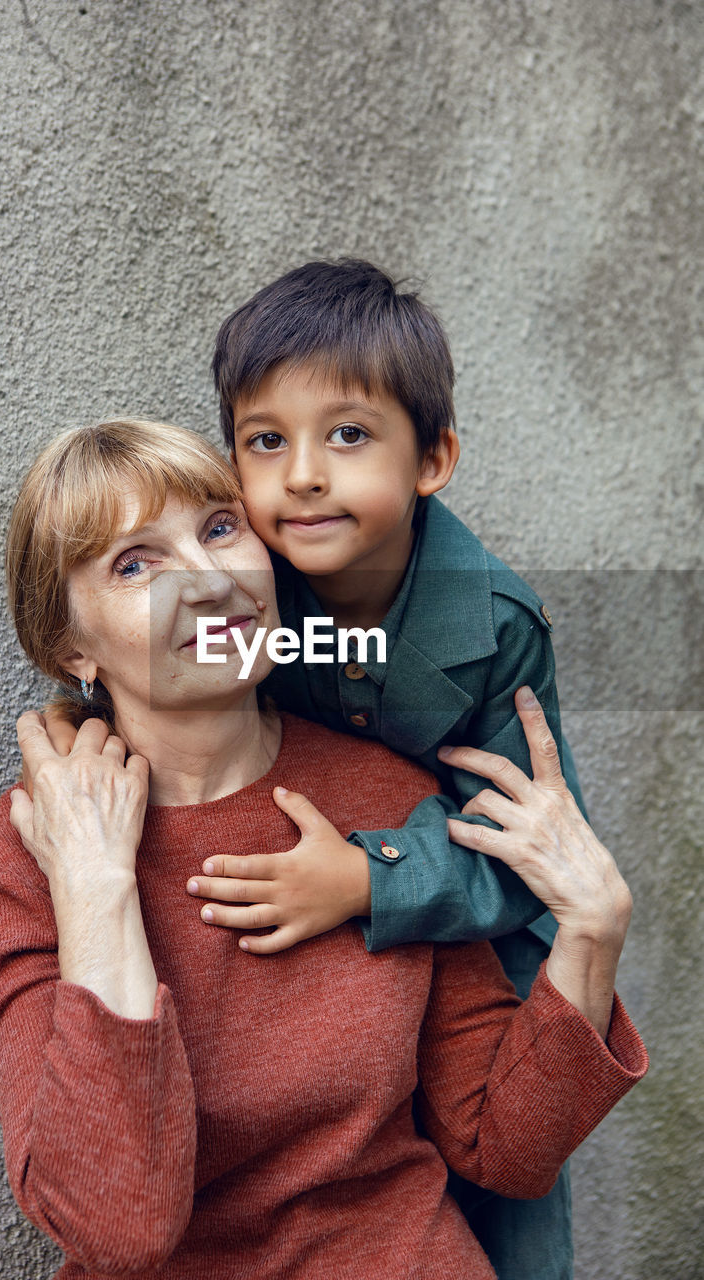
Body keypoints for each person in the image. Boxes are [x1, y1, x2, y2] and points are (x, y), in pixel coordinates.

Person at [0, 419, 646, 1280]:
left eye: (219, 529)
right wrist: (93, 884)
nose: (207, 580)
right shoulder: (6, 861)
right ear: (70, 648)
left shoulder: (388, 798)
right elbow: (117, 1229)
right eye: (135, 562)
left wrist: (591, 933)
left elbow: (504, 1148)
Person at [197, 258, 588, 1277]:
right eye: (265, 440)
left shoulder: (494, 624)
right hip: (304, 935)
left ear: (433, 458)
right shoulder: (245, 584)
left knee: (507, 1197)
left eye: (349, 435)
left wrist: (370, 876)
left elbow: (532, 855)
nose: (304, 474)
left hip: (469, 927)